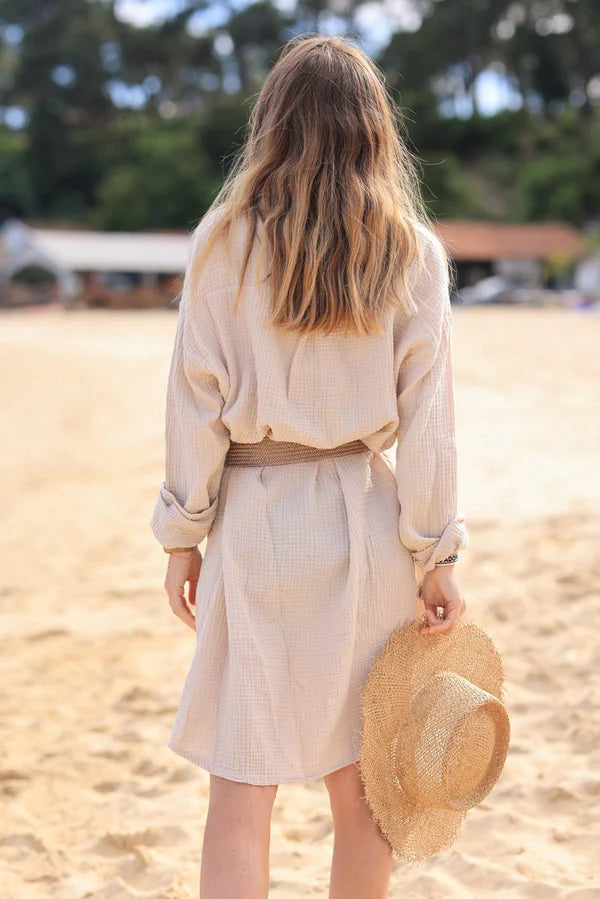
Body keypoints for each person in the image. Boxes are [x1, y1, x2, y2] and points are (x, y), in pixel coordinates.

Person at [150, 33, 468, 899]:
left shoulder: (222, 243)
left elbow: (195, 402)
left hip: (253, 521)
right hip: (365, 517)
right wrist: (436, 551)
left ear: (272, 125)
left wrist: (182, 536)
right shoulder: (415, 253)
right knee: (366, 789)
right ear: (376, 131)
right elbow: (429, 426)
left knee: (240, 787)